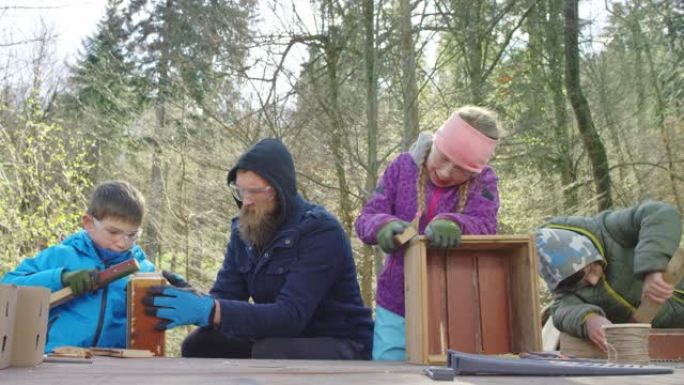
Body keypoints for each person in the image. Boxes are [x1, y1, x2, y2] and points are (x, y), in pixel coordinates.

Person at [144, 138, 374, 360]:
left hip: (340, 343)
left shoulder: (321, 231)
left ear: (278, 190)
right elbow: (226, 296)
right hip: (282, 339)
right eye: (240, 191)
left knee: (270, 352)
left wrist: (211, 310)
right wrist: (198, 301)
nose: (246, 201)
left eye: (253, 192)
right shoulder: (243, 229)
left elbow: (290, 315)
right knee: (200, 344)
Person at [355, 106, 501, 361]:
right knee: (389, 369)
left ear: (474, 171)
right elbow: (366, 217)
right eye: (443, 158)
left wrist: (456, 224)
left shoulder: (484, 181)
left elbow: (487, 225)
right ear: (435, 143)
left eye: (460, 169)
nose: (446, 172)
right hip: (397, 300)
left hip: (454, 303)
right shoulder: (402, 168)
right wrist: (383, 225)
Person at [1, 180, 154, 352]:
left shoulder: (145, 270)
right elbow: (7, 285)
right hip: (56, 359)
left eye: (132, 235)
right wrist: (61, 278)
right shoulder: (61, 256)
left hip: (114, 366)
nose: (122, 243)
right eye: (113, 232)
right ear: (89, 223)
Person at [535, 200, 684, 352]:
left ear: (589, 249)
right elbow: (561, 311)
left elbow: (660, 213)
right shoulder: (566, 289)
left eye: (590, 269)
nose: (593, 281)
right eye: (580, 282)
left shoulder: (609, 229)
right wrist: (588, 319)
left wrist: (653, 268)